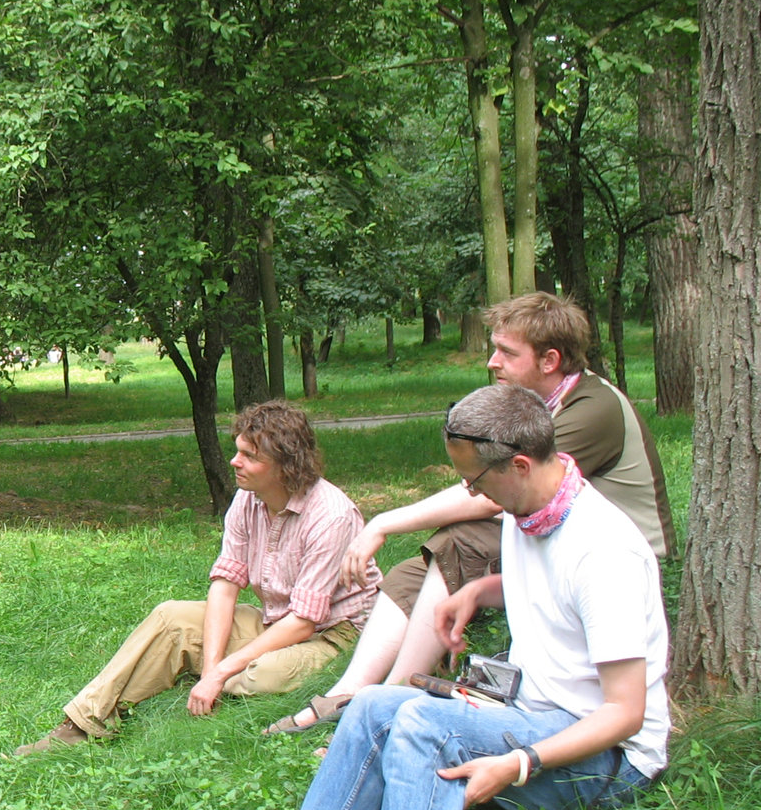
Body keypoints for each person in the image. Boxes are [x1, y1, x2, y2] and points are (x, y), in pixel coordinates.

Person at [196, 384, 668, 810]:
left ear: (520, 465)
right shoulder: (534, 511)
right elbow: (555, 588)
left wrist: (521, 761)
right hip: (535, 712)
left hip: (610, 762)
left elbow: (626, 713)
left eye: (476, 482)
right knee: (369, 705)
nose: (470, 494)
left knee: (422, 725)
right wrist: (483, 589)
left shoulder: (603, 551)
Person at [266, 292, 675, 735]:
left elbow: (493, 493)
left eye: (507, 352)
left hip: (612, 561)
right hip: (549, 539)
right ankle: (349, 696)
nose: (492, 362)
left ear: (550, 359)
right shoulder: (545, 405)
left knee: (457, 541)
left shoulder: (593, 409)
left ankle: (390, 704)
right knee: (410, 573)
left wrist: (383, 522)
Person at [14, 401, 381, 756]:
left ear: (286, 466)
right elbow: (225, 586)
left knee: (257, 677)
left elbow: (304, 623)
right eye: (237, 450)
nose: (235, 462)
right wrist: (210, 671)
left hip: (335, 634)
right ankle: (83, 724)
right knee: (171, 616)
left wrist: (220, 671)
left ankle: (210, 671)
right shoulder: (247, 499)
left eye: (250, 456)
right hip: (275, 620)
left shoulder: (330, 516)